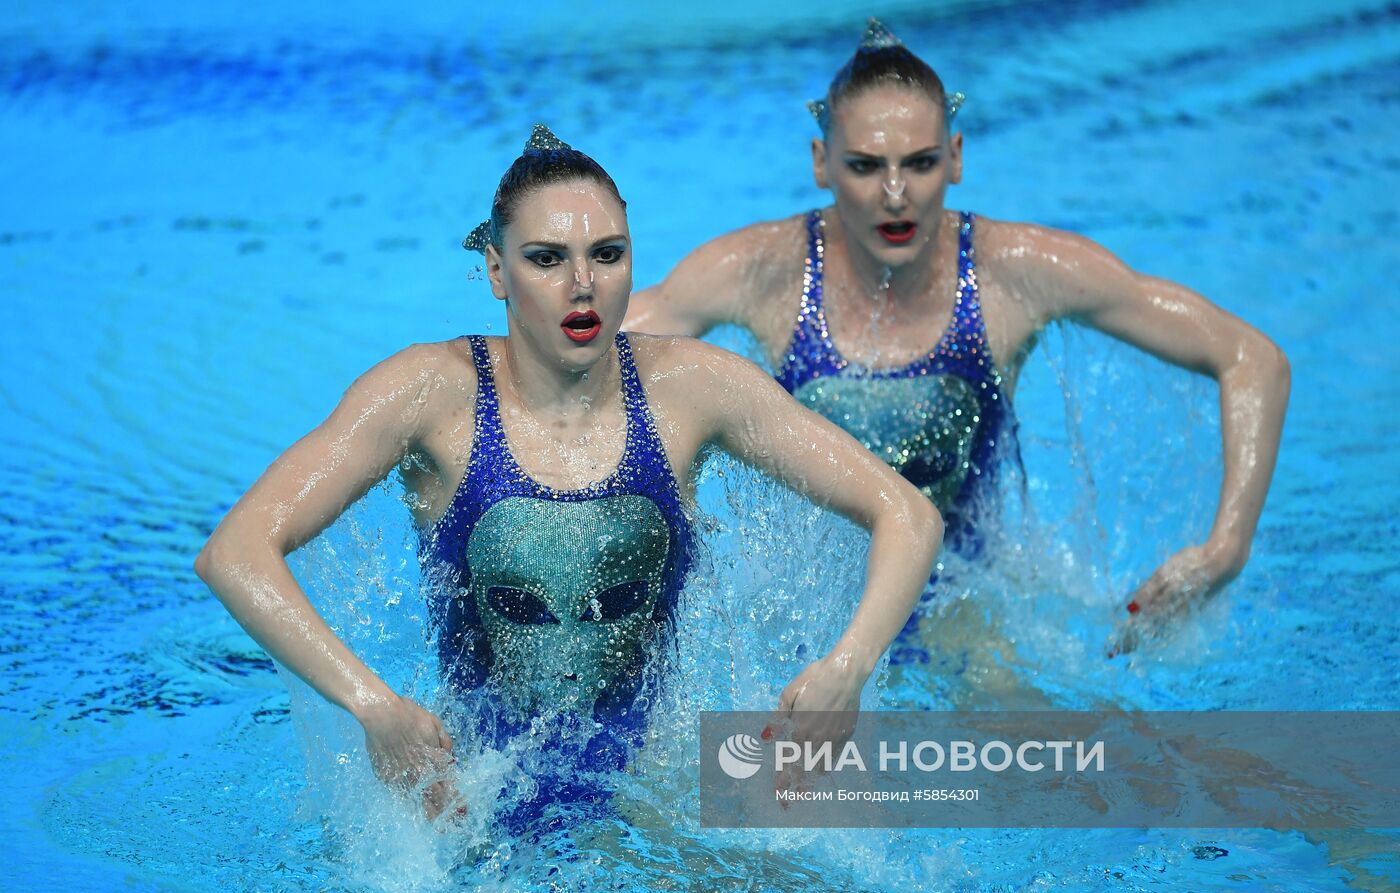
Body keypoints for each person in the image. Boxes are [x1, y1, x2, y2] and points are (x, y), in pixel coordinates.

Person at [194, 125, 943, 825]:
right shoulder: (430, 395)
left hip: (660, 797)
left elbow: (907, 514)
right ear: (495, 269)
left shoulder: (694, 390)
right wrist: (374, 706)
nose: (582, 284)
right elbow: (236, 551)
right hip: (472, 807)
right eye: (547, 258)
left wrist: (848, 666)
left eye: (608, 254)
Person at [627, 18, 1290, 658]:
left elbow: (1250, 357)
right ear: (821, 163)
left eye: (919, 163)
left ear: (957, 158)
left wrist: (1224, 550)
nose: (895, 194)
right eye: (864, 166)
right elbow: (598, 351)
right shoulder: (762, 270)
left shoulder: (1016, 272)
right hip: (812, 619)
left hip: (967, 616)